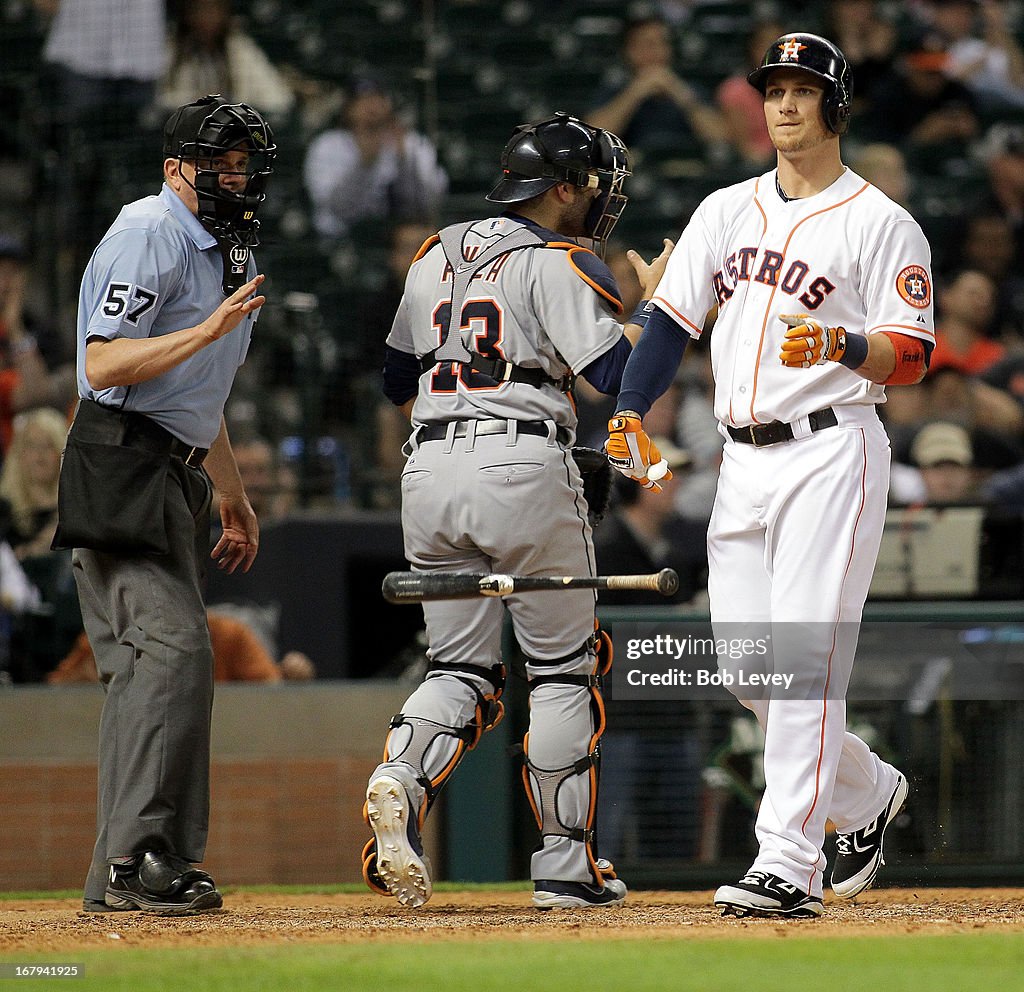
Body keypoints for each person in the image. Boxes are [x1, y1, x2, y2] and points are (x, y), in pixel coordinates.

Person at [604, 33, 934, 918]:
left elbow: (913, 356)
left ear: (835, 105)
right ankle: (864, 793)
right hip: (738, 459)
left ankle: (789, 858)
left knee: (803, 662)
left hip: (833, 448)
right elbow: (671, 322)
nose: (784, 104)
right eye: (774, 89)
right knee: (749, 668)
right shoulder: (726, 209)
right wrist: (629, 410)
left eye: (801, 90)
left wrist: (845, 344)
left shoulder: (881, 220)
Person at [361, 112, 672, 911]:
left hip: (428, 468)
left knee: (458, 666)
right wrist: (656, 310)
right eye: (592, 185)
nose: (600, 199)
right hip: (525, 457)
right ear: (560, 189)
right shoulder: (557, 258)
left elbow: (397, 378)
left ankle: (399, 778)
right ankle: (566, 864)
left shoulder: (433, 252)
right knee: (563, 668)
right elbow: (612, 371)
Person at [53, 94, 276, 915]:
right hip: (121, 458)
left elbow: (197, 389)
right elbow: (104, 366)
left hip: (174, 468)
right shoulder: (151, 231)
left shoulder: (224, 244)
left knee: (143, 675)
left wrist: (231, 490)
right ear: (175, 167)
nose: (235, 175)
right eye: (220, 160)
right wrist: (205, 331)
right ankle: (142, 857)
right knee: (175, 651)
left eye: (245, 162)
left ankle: (121, 874)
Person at [304, 76, 447, 241]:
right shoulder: (328, 145)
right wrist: (365, 164)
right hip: (342, 240)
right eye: (362, 100)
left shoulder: (410, 142)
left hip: (397, 240)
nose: (371, 107)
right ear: (348, 107)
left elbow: (433, 200)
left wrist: (404, 160)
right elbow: (335, 207)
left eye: (377, 98)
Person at [48, 609, 316, 684]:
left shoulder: (226, 634)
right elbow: (56, 689)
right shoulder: (108, 635)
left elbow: (271, 688)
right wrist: (85, 682)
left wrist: (293, 676)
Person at [589, 15, 722, 161]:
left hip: (687, 169)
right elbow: (594, 137)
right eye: (648, 44)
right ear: (629, 51)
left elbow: (720, 137)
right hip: (635, 172)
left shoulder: (691, 89)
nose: (658, 51)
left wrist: (679, 93)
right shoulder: (614, 90)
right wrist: (635, 92)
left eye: (663, 43)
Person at [158, 0, 295, 118]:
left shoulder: (239, 48)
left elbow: (278, 98)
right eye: (200, 10)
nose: (206, 18)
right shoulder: (171, 49)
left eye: (213, 10)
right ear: (187, 14)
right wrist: (200, 102)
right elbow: (158, 101)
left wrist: (231, 107)